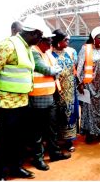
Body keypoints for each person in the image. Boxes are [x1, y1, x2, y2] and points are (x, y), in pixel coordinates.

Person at [0, 14, 50, 180]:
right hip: (5, 102)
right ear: (34, 33)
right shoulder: (8, 45)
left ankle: (15, 167)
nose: (41, 39)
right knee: (4, 139)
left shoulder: (26, 47)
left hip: (22, 100)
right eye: (40, 36)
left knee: (18, 139)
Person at [28, 32, 63, 170]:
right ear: (40, 41)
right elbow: (46, 69)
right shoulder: (34, 52)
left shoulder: (46, 52)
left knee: (52, 128)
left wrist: (54, 70)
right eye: (48, 41)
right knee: (38, 131)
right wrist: (54, 70)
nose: (50, 45)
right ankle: (38, 159)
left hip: (50, 94)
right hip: (37, 96)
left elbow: (56, 67)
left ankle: (54, 153)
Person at [51, 29, 79, 153]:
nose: (68, 42)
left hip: (70, 89)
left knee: (71, 113)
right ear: (57, 41)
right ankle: (56, 141)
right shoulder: (49, 54)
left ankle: (69, 141)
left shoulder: (71, 52)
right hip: (56, 90)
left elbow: (75, 67)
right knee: (57, 115)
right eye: (65, 40)